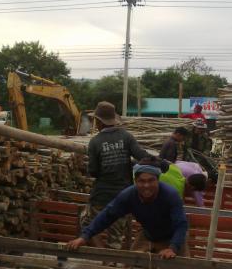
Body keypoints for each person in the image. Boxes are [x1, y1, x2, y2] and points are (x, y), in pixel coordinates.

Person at [66, 164, 189, 259]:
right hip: (148, 234)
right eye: (142, 181)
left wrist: (173, 247)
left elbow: (181, 224)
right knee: (131, 268)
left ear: (158, 180)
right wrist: (85, 236)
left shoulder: (170, 195)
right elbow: (107, 215)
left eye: (151, 180)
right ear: (136, 181)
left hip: (172, 237)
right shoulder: (129, 195)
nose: (146, 185)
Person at [84, 101, 148, 249]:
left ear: (98, 121)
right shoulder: (126, 136)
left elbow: (93, 171)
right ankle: (110, 268)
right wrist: (159, 162)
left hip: (101, 195)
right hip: (123, 195)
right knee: (116, 238)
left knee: (87, 224)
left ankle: (104, 258)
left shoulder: (95, 142)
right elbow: (141, 156)